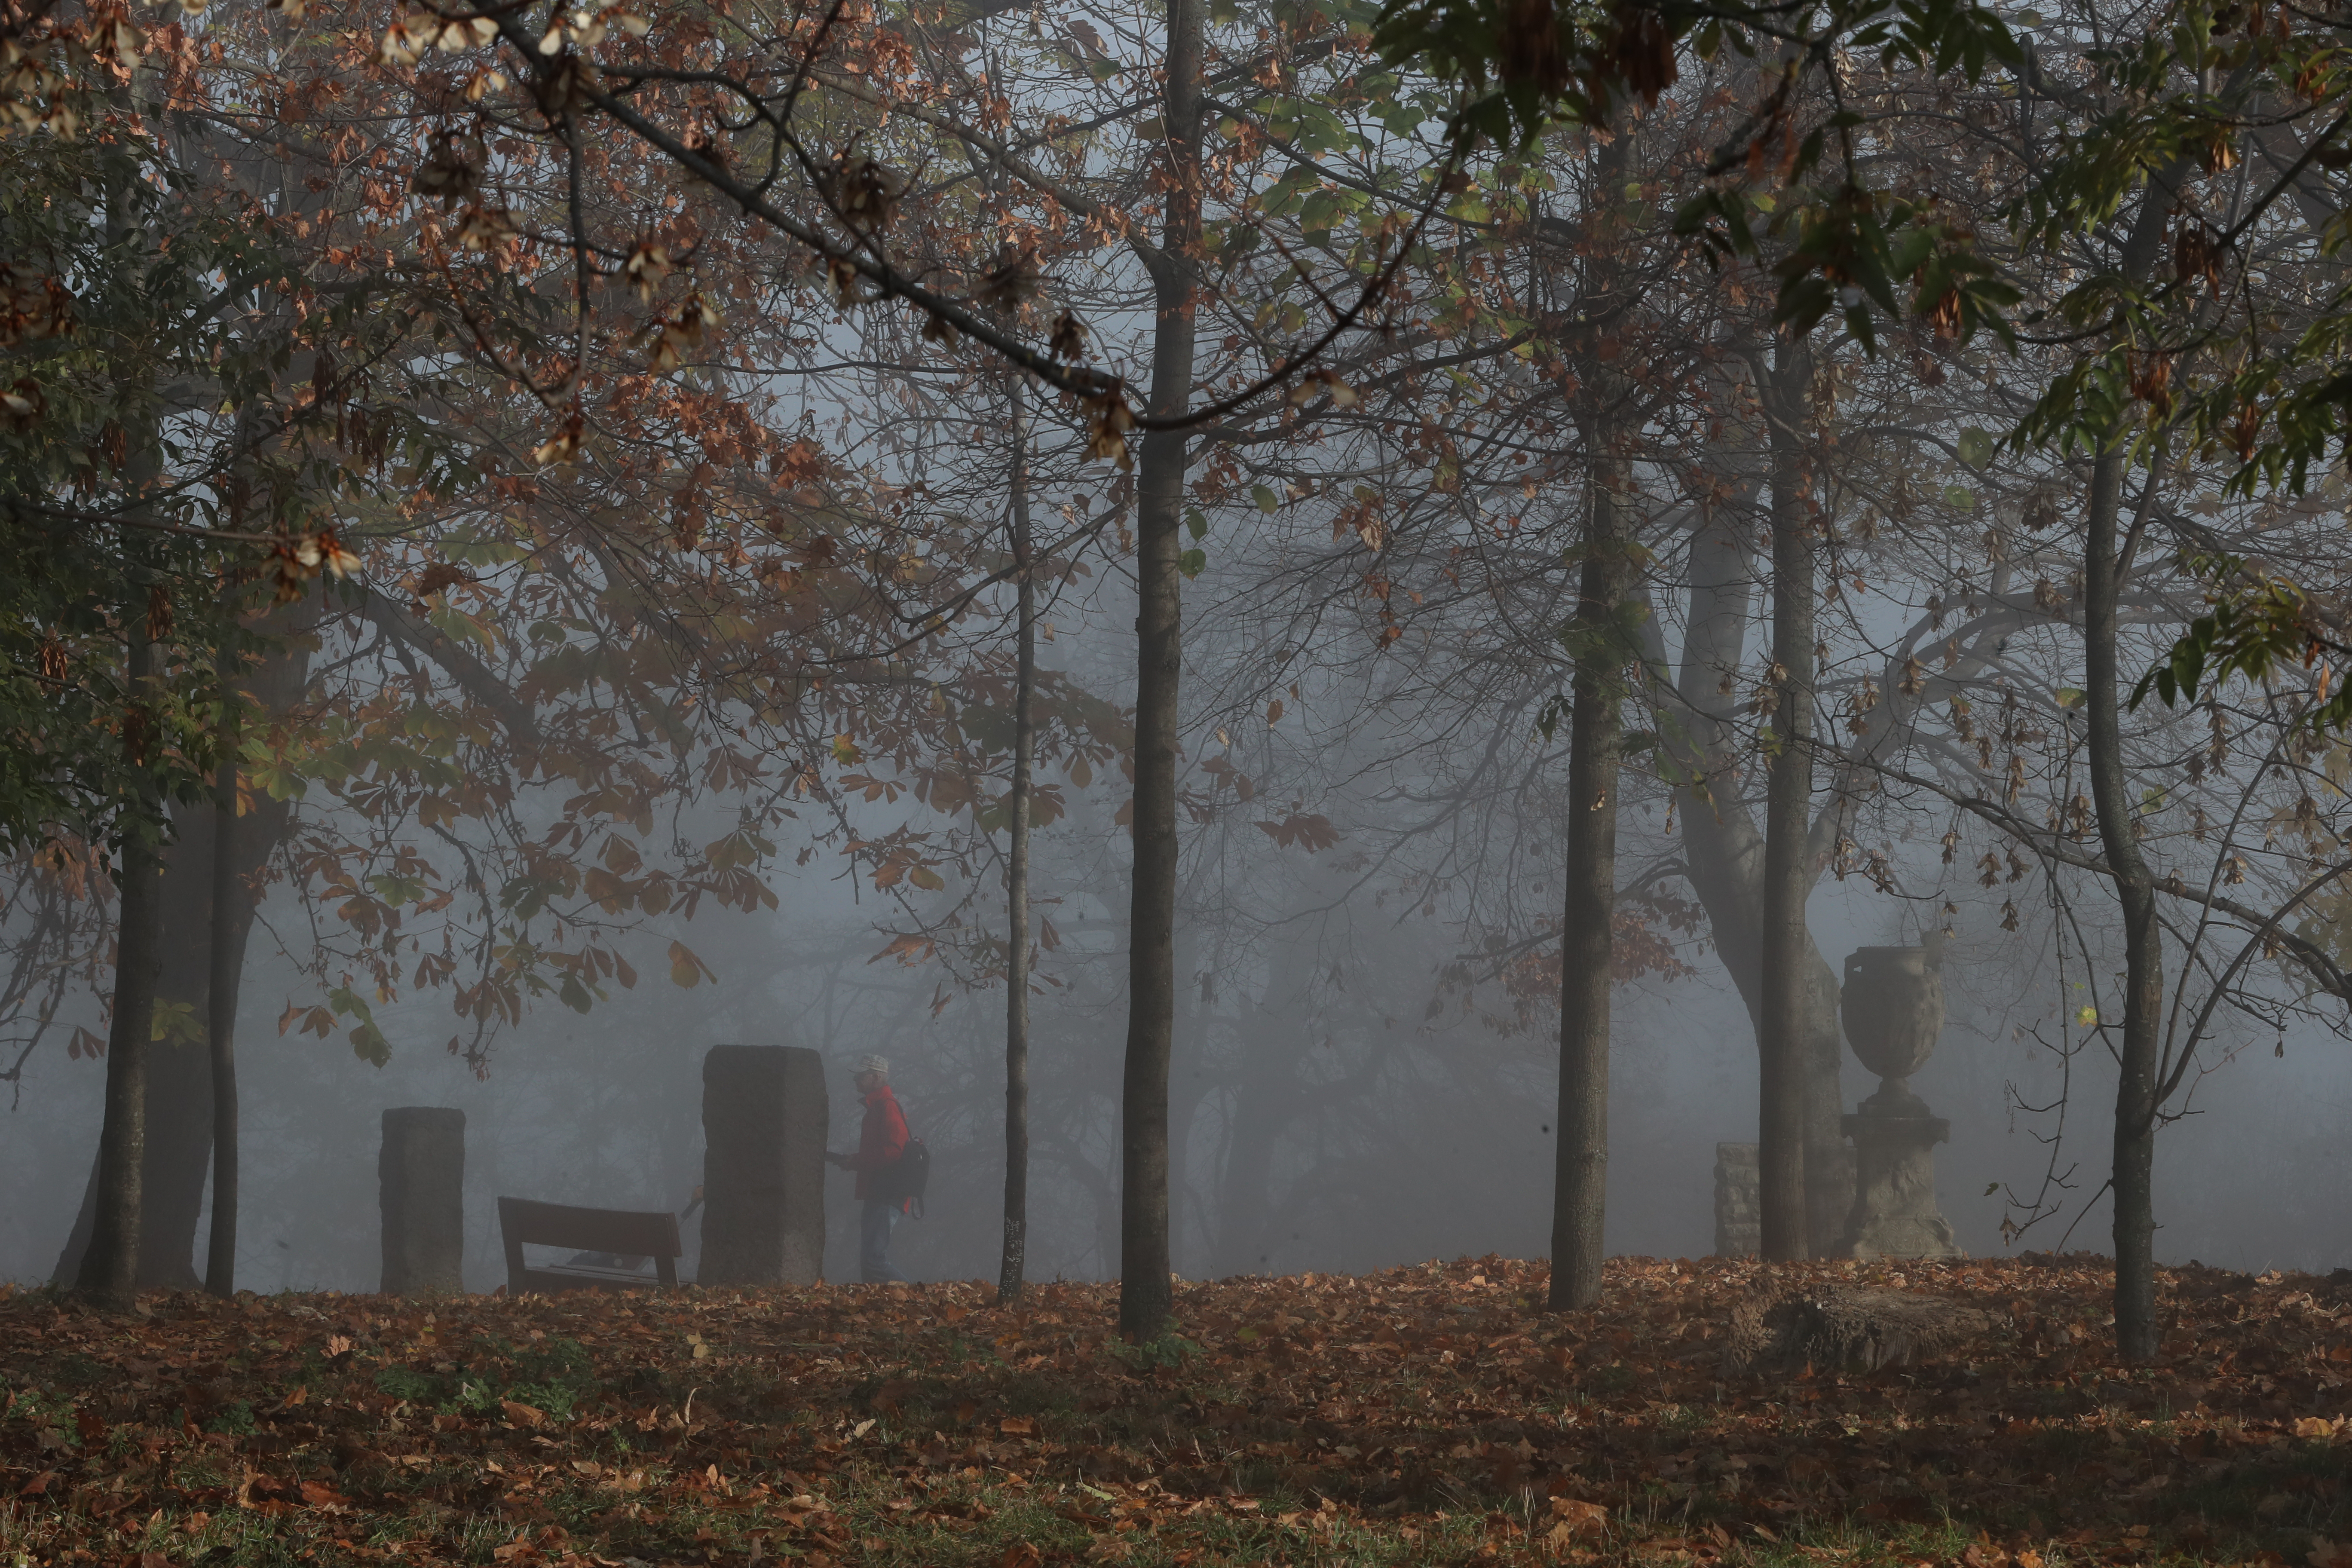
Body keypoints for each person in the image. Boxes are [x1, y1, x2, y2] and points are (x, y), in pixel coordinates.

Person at [827, 1054, 910, 1283]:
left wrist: (856, 1162)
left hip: (886, 1193)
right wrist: (855, 1161)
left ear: (877, 1077)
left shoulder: (887, 1107)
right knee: (869, 1260)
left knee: (874, 1260)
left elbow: (895, 1150)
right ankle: (878, 1310)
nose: (856, 1081)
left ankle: (920, 1301)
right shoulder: (879, 1107)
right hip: (880, 1191)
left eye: (860, 1076)